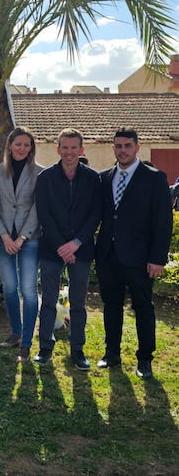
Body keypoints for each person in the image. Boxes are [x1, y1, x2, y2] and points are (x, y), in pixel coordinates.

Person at [95, 128, 172, 379]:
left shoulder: (155, 178)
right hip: (108, 255)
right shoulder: (105, 177)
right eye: (118, 146)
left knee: (143, 308)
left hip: (140, 259)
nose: (122, 150)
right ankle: (111, 354)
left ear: (137, 147)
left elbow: (163, 222)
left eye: (127, 145)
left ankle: (145, 359)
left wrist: (157, 258)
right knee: (111, 306)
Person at [34, 128, 101, 370]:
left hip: (81, 249)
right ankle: (44, 347)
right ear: (58, 149)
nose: (69, 152)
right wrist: (62, 245)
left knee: (79, 302)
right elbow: (44, 215)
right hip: (52, 249)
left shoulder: (94, 179)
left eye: (74, 148)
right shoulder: (45, 178)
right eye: (65, 147)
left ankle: (77, 350)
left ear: (81, 150)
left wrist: (76, 243)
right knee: (49, 300)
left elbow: (95, 214)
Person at [0, 127, 41, 361]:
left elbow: (37, 208)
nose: (22, 148)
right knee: (10, 288)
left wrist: (21, 238)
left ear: (31, 148)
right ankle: (16, 333)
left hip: (29, 240)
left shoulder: (40, 173)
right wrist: (5, 236)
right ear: (10, 145)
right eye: (18, 144)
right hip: (2, 239)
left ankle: (27, 343)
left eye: (27, 145)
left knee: (28, 291)